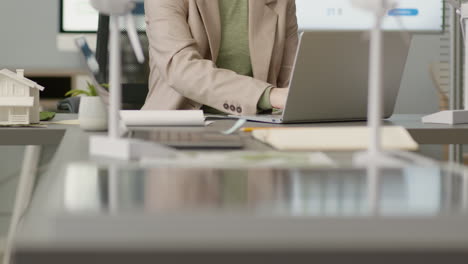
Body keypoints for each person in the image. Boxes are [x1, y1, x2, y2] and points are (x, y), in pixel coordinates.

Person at [142, 0, 298, 115]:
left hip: (258, 126)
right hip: (176, 126)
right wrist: (267, 96)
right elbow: (181, 68)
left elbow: (291, 78)